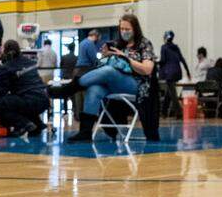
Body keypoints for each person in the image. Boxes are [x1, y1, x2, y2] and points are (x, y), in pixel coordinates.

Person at [63, 14, 155, 142]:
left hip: (137, 84)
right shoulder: (118, 44)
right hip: (115, 83)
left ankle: (69, 88)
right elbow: (106, 62)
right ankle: (85, 133)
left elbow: (147, 69)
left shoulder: (144, 44)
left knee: (109, 71)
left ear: (135, 29)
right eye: (122, 29)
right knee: (94, 89)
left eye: (127, 29)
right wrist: (106, 56)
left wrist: (126, 58)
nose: (124, 32)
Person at [0, 40, 49, 136]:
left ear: (5, 52)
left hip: (28, 101)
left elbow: (0, 92)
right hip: (44, 99)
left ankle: (24, 124)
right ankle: (38, 124)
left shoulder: (6, 67)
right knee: (20, 101)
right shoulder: (30, 62)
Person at [158, 30, 191, 117]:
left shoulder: (164, 47)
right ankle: (164, 112)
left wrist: (156, 63)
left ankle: (179, 113)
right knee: (169, 92)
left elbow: (163, 60)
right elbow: (182, 59)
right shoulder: (176, 47)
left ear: (165, 38)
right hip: (177, 72)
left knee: (173, 95)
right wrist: (188, 71)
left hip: (169, 73)